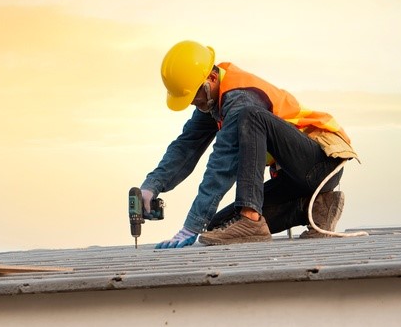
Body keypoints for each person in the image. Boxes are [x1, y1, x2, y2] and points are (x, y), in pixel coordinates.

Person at [138, 40, 357, 248]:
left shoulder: (241, 100)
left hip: (321, 163)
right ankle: (317, 206)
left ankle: (250, 218)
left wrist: (192, 225)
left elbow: (222, 165)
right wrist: (151, 186)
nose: (194, 103)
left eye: (194, 96)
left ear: (211, 78)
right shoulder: (213, 100)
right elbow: (186, 146)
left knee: (251, 117)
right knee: (218, 228)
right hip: (295, 179)